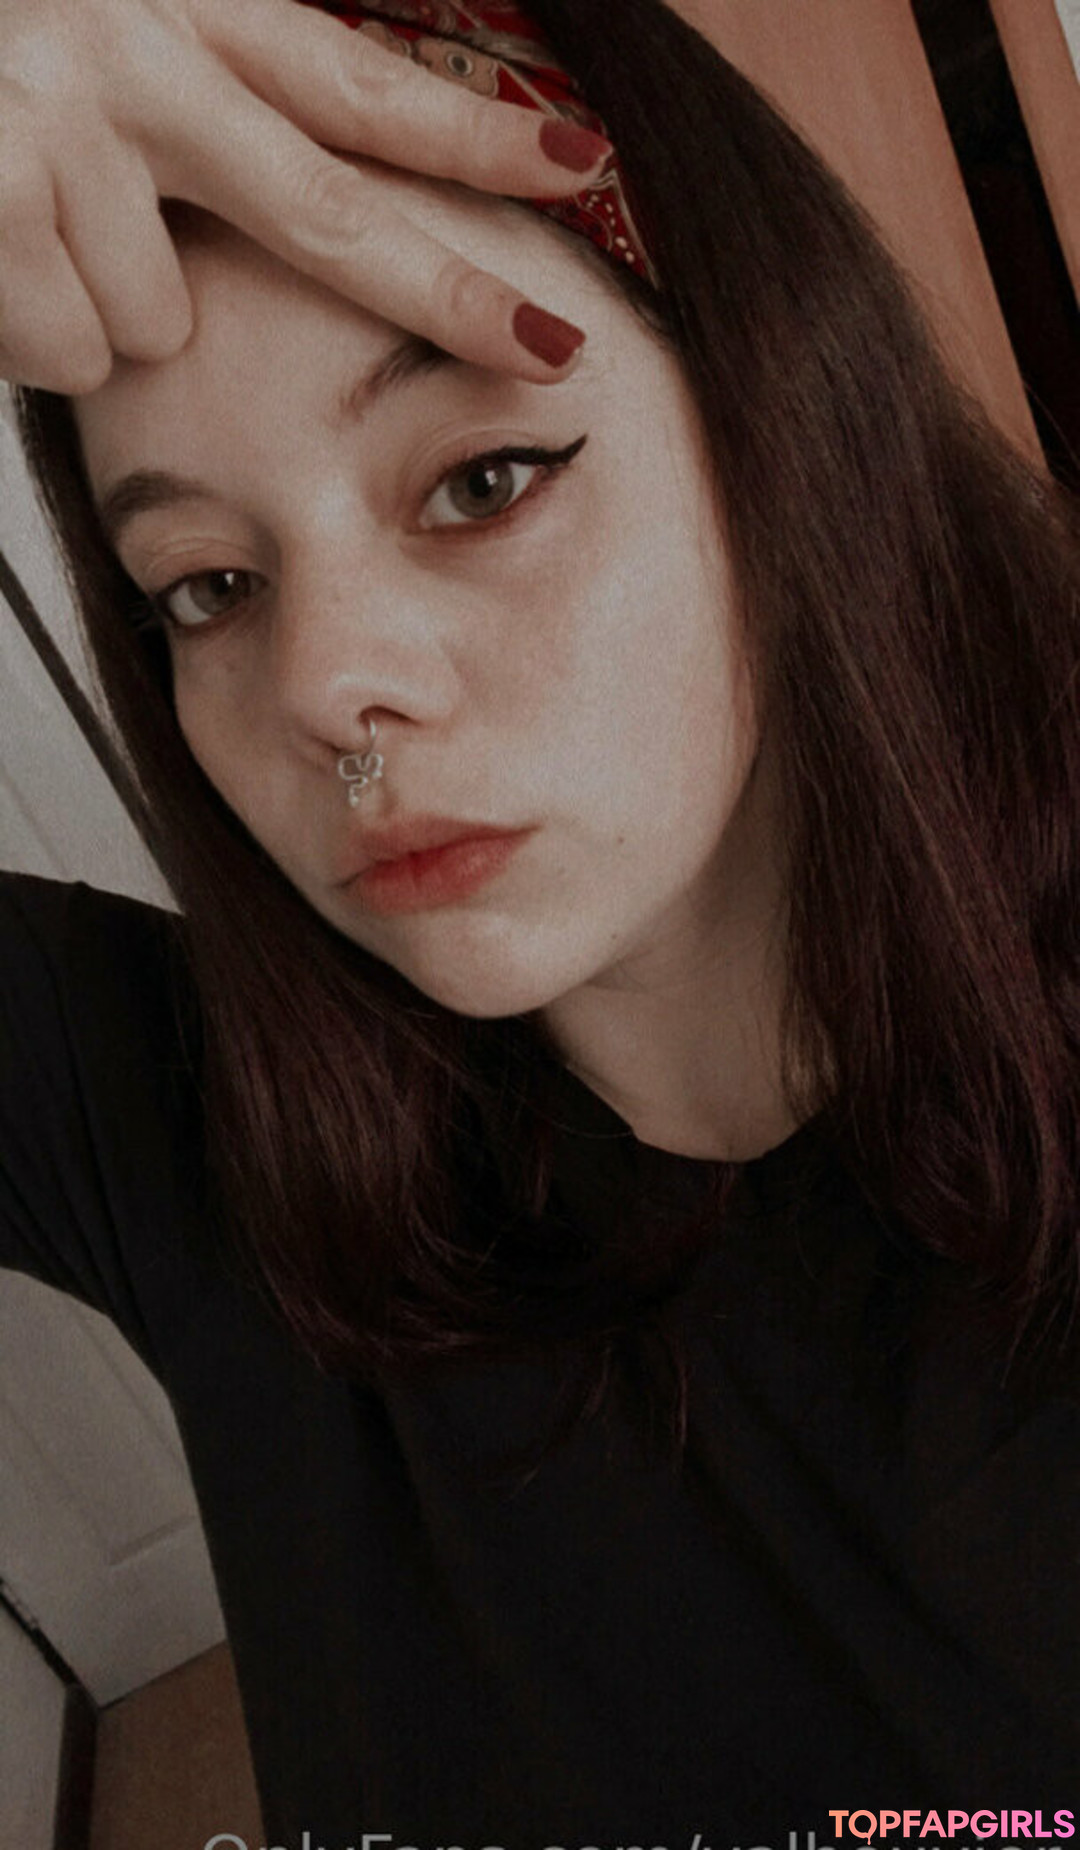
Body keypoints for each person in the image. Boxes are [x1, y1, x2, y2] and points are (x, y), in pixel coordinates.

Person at [3, 0, 1080, 1842]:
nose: (323, 684)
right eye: (209, 585)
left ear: (781, 412)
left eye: (482, 480)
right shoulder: (201, 1126)